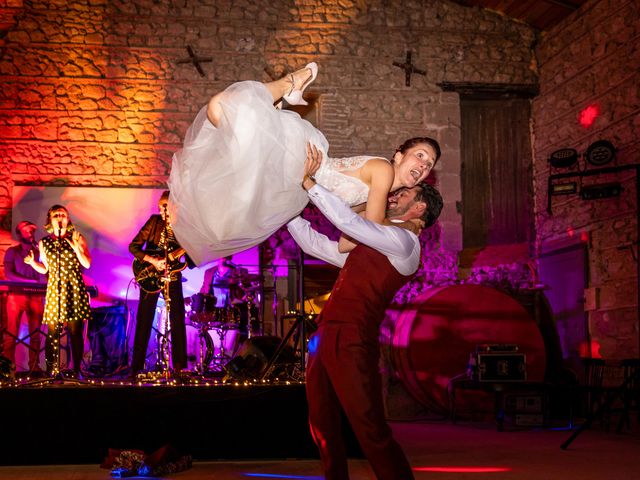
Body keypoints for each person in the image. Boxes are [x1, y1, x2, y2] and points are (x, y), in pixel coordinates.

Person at [168, 61, 441, 265]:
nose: (423, 165)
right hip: (307, 162)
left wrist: (383, 225)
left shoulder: (377, 198)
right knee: (222, 110)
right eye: (420, 155)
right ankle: (289, 83)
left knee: (224, 223)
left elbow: (348, 242)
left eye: (429, 165)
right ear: (398, 156)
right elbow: (372, 226)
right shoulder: (383, 170)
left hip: (300, 188)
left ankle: (276, 103)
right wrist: (408, 226)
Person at [286, 150, 443, 480]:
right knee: (322, 426)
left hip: (354, 338)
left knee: (369, 428)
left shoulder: (405, 244)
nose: (394, 195)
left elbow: (350, 223)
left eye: (404, 195)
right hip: (324, 336)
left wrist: (308, 183)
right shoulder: (378, 239)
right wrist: (287, 216)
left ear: (420, 209)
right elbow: (320, 248)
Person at [24, 206, 92, 377]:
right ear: (50, 219)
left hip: (74, 288)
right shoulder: (44, 242)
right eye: (56, 215)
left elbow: (87, 264)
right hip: (55, 288)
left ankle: (77, 370)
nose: (60, 217)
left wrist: (76, 247)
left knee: (75, 332)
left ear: (68, 219)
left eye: (63, 214)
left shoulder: (77, 238)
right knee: (52, 333)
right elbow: (45, 268)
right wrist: (33, 263)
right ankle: (52, 371)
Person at [129, 190, 188, 378]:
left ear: (175, 207)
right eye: (161, 209)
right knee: (144, 319)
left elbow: (189, 255)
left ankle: (179, 366)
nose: (163, 213)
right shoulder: (154, 222)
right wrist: (153, 261)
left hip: (173, 275)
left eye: (166, 208)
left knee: (178, 318)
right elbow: (133, 246)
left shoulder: (184, 226)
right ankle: (136, 367)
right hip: (150, 275)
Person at [2, 221, 47, 373]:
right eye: (26, 231)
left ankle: (35, 367)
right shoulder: (12, 251)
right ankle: (8, 369)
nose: (30, 233)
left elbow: (45, 271)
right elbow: (9, 274)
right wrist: (31, 281)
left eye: (32, 231)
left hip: (35, 296)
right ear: (19, 233)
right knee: (11, 334)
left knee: (36, 334)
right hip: (16, 296)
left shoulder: (39, 252)